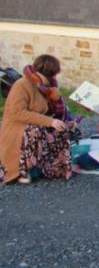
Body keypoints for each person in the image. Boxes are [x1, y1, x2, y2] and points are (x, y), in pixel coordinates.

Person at [0, 55, 74, 184]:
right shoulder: (22, 85)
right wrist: (49, 122)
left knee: (62, 129)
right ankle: (24, 170)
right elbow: (17, 113)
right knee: (36, 130)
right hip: (17, 129)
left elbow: (52, 112)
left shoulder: (46, 88)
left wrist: (66, 122)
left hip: (35, 125)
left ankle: (50, 167)